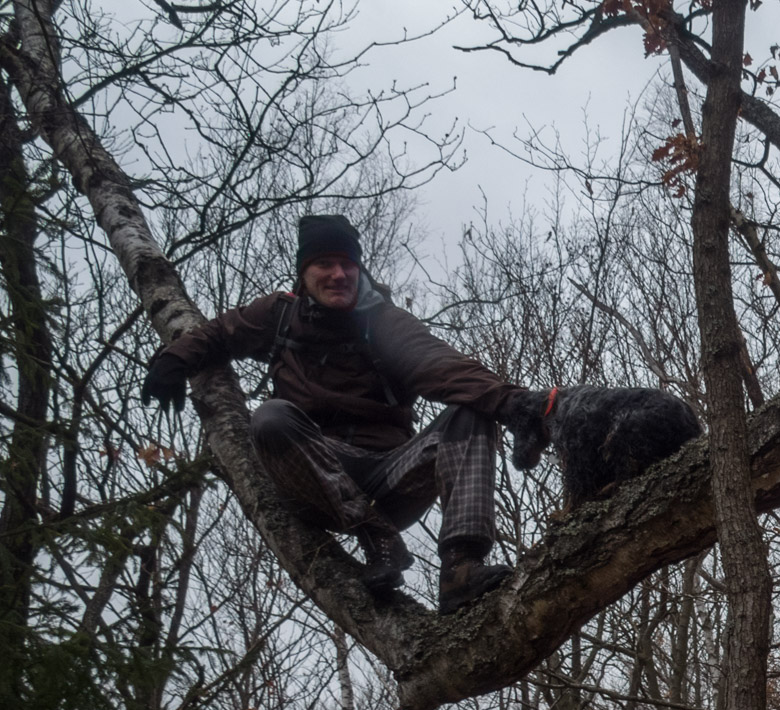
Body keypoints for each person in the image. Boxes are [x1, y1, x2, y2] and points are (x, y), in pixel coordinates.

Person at [141, 213, 541, 614]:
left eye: (347, 264)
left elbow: (441, 365)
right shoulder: (279, 316)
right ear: (304, 272)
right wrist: (173, 362)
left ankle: (461, 568)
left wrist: (515, 405)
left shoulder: (382, 322)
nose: (338, 274)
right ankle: (375, 536)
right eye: (324, 264)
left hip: (390, 477)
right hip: (314, 477)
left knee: (470, 414)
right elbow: (219, 334)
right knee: (271, 417)